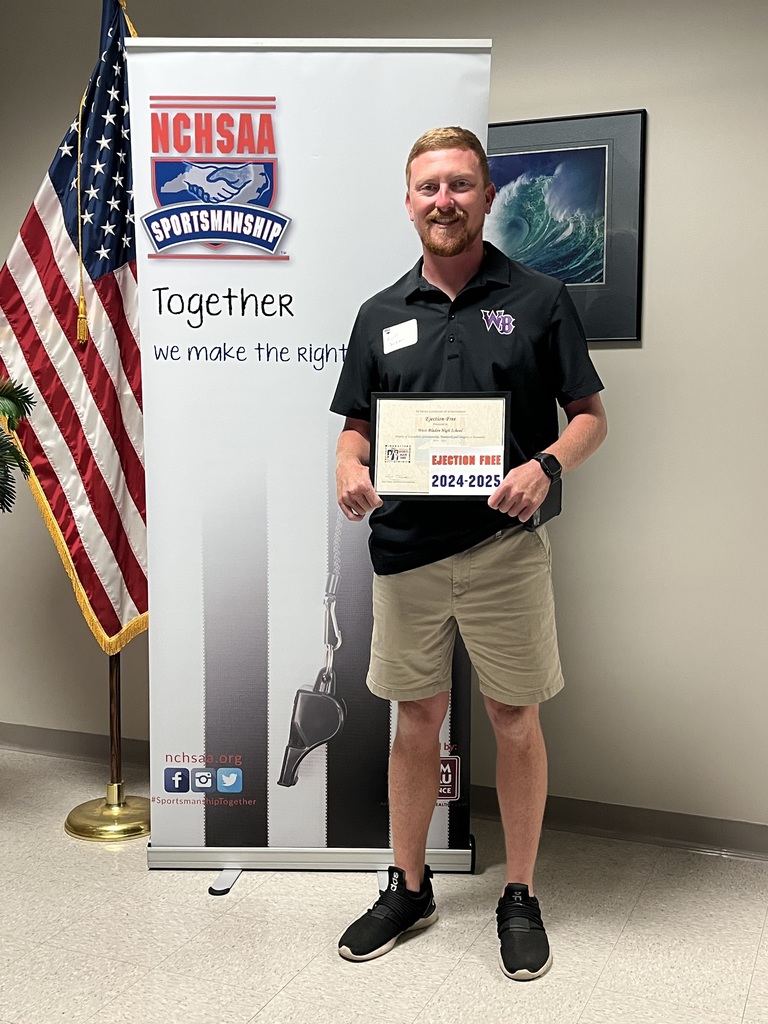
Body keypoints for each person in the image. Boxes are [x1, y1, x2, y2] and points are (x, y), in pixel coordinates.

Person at [330, 126, 607, 980]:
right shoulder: (380, 312)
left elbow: (592, 416)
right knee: (414, 722)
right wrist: (347, 468)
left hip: (503, 551)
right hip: (406, 553)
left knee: (514, 720)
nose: (443, 200)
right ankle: (408, 885)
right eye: (427, 188)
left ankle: (518, 894)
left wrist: (546, 464)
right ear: (408, 202)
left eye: (459, 185)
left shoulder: (540, 297)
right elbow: (356, 430)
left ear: (488, 197)